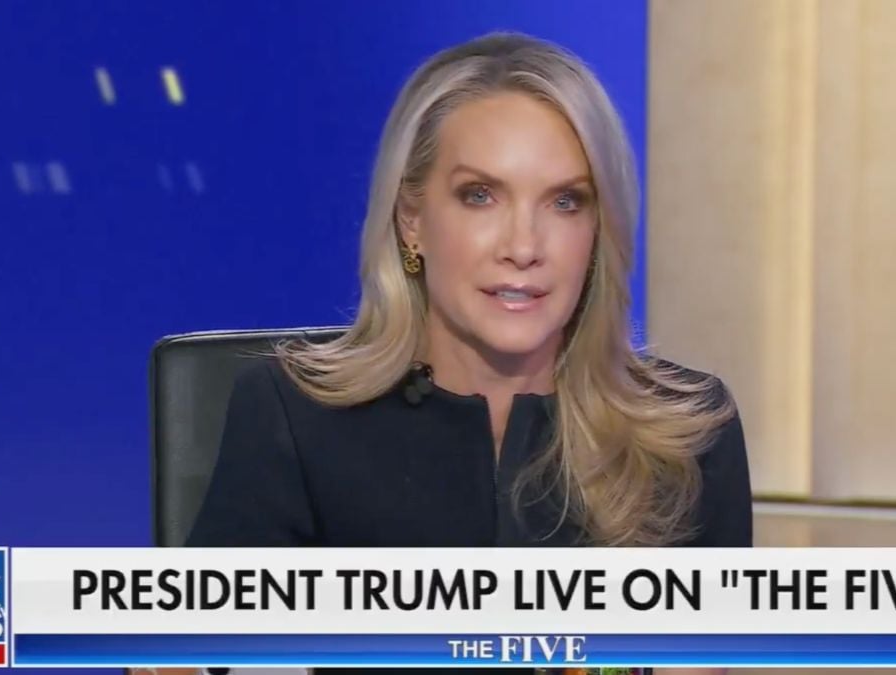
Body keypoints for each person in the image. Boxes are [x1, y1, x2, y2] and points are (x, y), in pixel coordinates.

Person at [184, 31, 752, 675]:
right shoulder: (293, 419)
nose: (523, 246)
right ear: (412, 219)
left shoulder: (686, 436)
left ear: (599, 231)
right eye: (480, 195)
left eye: (566, 202)